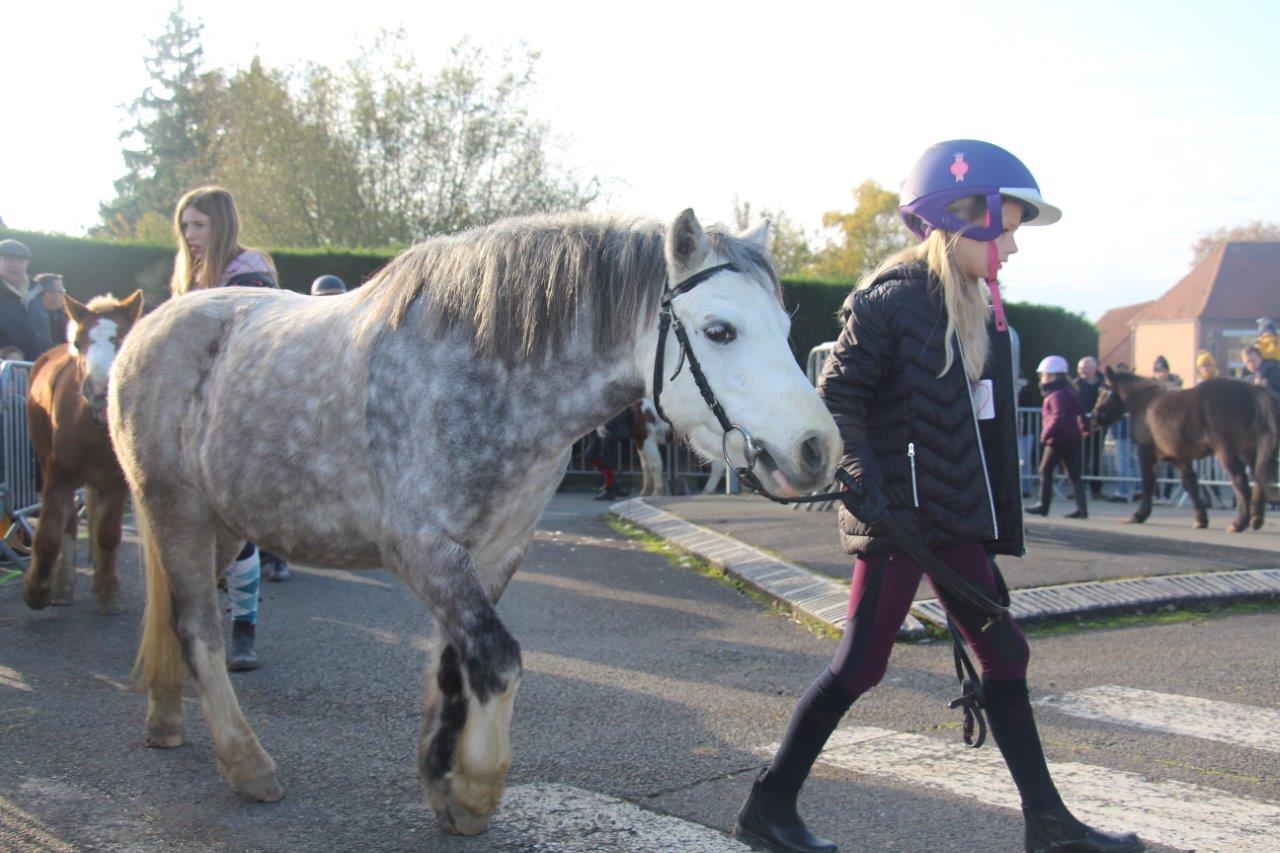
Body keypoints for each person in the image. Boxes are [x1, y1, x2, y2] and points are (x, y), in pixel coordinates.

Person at [735, 141, 1140, 853]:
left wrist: (986, 531)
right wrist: (869, 485)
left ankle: (1048, 824)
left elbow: (970, 432)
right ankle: (769, 805)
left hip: (948, 520)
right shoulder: (891, 302)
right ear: (963, 218)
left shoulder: (972, 308)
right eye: (1005, 227)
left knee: (1005, 653)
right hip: (900, 521)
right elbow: (839, 400)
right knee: (860, 665)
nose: (1012, 245)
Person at [171, 186, 278, 669]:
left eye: (199, 225)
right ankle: (205, 626)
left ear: (221, 224)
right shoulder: (190, 278)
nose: (190, 235)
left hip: (244, 417)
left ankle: (244, 629)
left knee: (239, 529)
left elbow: (253, 350)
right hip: (198, 419)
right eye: (185, 226)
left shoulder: (249, 271)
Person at [1026, 356, 1088, 519]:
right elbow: (1080, 410)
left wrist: (1046, 434)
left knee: (1045, 470)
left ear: (1055, 376)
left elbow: (1058, 416)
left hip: (1058, 439)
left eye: (1046, 375)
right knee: (1074, 474)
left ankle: (1043, 505)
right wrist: (1084, 427)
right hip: (1071, 437)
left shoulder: (1056, 395)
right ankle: (1082, 509)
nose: (1043, 378)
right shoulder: (1068, 391)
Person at [0, 239, 41, 360]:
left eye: (21, 260)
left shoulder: (38, 291)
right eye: (9, 259)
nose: (15, 265)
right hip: (6, 369)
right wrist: (6, 352)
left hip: (40, 369)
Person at [1072, 356, 1104, 499]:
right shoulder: (1075, 384)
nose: (1082, 371)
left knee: (1096, 458)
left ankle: (1096, 489)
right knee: (1080, 458)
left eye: (1085, 368)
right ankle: (1078, 490)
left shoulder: (1103, 384)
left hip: (1098, 427)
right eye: (1080, 368)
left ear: (1094, 369)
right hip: (1080, 426)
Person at [583, 409, 630, 501]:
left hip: (610, 430)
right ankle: (612, 484)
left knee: (606, 460)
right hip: (599, 430)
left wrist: (606, 426)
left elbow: (621, 411)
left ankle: (610, 491)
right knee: (590, 457)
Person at [26, 273, 69, 357]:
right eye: (60, 292)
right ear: (46, 293)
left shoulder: (64, 317)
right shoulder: (30, 318)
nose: (63, 296)